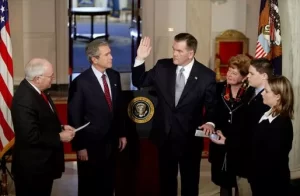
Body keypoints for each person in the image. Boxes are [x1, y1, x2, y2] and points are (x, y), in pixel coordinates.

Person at [132, 33, 217, 196]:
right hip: (165, 136)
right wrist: (140, 59)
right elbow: (140, 81)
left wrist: (210, 123)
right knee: (166, 181)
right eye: (173, 49)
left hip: (190, 138)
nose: (174, 54)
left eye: (179, 51)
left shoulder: (206, 76)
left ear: (190, 53)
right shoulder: (163, 66)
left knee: (190, 182)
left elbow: (212, 107)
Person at [213, 76, 294, 196]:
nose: (262, 94)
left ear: (278, 96)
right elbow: (252, 141)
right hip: (259, 180)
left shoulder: (281, 123)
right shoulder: (267, 115)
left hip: (271, 184)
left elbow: (268, 157)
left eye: (266, 91)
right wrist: (227, 141)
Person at [68, 40, 127, 196]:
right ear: (94, 59)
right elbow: (75, 116)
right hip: (91, 145)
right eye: (107, 54)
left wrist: (121, 133)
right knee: (90, 186)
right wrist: (80, 146)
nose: (111, 57)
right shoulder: (80, 82)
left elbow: (118, 108)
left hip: (112, 141)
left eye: (110, 53)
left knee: (108, 183)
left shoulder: (114, 76)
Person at [11, 58, 75, 196]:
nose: (53, 78)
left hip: (44, 166)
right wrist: (59, 136)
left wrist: (61, 127)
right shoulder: (24, 99)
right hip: (32, 169)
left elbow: (42, 121)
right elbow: (30, 136)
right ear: (37, 78)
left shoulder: (40, 91)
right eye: (50, 76)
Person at [209, 54, 251, 196]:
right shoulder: (218, 89)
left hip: (240, 146)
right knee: (223, 183)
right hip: (219, 144)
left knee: (240, 183)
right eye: (229, 71)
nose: (230, 75)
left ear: (245, 77)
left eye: (235, 72)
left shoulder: (250, 94)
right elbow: (211, 112)